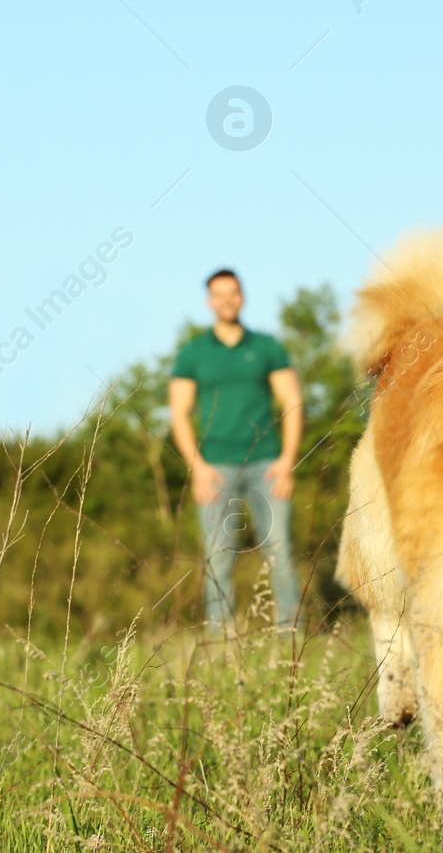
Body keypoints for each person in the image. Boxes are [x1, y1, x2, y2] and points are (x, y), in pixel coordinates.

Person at [169, 268, 304, 631]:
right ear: (209, 301)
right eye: (219, 294)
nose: (227, 300)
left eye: (233, 293)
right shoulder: (193, 353)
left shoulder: (266, 347)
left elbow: (291, 401)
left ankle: (290, 636)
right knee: (217, 558)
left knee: (279, 551)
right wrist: (197, 468)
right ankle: (220, 641)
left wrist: (288, 460)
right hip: (215, 469)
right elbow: (179, 414)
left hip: (267, 466)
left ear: (242, 297)